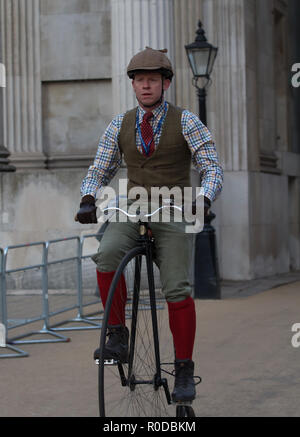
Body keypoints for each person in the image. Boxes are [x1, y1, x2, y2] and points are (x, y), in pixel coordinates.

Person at [76, 47, 223, 403]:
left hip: (173, 209)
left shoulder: (186, 121)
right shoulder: (120, 124)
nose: (145, 86)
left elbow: (211, 166)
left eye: (152, 81)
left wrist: (204, 197)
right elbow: (101, 167)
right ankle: (117, 335)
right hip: (134, 207)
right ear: (133, 85)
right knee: (107, 255)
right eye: (140, 81)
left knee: (176, 287)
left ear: (165, 84)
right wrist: (88, 197)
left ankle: (184, 369)